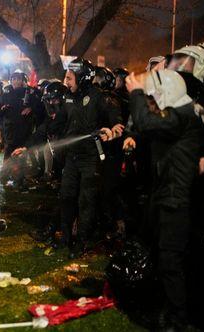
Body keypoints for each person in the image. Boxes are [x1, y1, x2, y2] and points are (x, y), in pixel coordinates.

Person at [126, 69, 202, 330]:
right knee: (160, 256)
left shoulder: (181, 117)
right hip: (165, 196)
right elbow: (146, 128)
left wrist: (135, 92)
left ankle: (178, 319)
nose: (150, 104)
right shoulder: (180, 115)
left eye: (152, 98)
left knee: (171, 261)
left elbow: (147, 123)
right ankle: (164, 310)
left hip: (174, 200)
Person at [60, 58, 123, 258]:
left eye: (69, 78)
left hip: (91, 158)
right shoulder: (68, 97)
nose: (66, 82)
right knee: (67, 196)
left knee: (86, 201)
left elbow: (117, 123)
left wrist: (113, 130)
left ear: (82, 77)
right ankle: (66, 236)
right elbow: (58, 123)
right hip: (71, 157)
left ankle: (82, 241)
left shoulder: (100, 97)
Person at [0, 71, 33, 160]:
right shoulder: (6, 93)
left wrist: (30, 108)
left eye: (18, 79)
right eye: (14, 79)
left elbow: (35, 106)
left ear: (22, 81)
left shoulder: (28, 92)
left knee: (21, 153)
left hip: (23, 127)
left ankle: (22, 171)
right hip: (10, 127)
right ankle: (5, 171)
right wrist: (2, 109)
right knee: (9, 150)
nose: (16, 81)